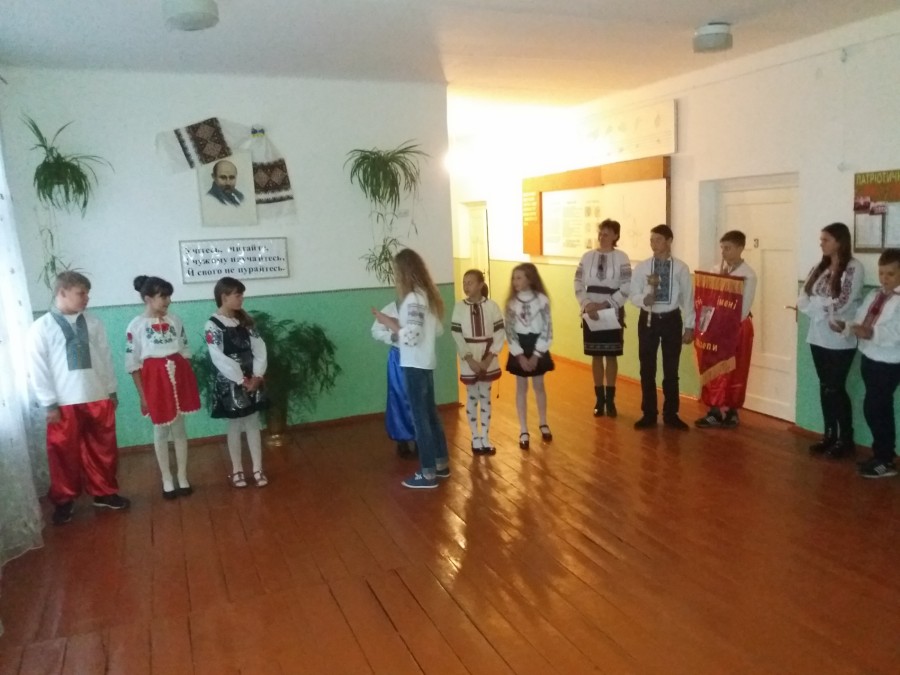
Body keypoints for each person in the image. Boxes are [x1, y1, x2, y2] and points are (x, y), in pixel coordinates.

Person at [26, 271, 130, 525]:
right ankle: (64, 500)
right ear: (62, 292)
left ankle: (104, 492)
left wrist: (111, 390)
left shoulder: (94, 323)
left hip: (97, 396)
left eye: (87, 293)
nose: (86, 298)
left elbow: (105, 357)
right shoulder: (42, 327)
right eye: (81, 293)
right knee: (63, 453)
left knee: (103, 449)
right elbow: (38, 369)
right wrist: (49, 403)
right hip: (63, 403)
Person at [372, 249, 449, 489]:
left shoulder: (414, 299)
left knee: (420, 419)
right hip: (425, 362)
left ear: (404, 272)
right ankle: (441, 463)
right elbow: (434, 330)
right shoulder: (426, 296)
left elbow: (412, 336)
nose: (395, 277)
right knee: (430, 415)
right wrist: (397, 323)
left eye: (396, 271)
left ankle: (427, 473)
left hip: (415, 364)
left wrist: (390, 324)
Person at [125, 275, 201, 499]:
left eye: (169, 296)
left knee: (179, 429)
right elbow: (133, 364)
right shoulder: (136, 326)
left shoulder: (175, 320)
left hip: (178, 376)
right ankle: (166, 478)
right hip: (154, 381)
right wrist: (143, 396)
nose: (168, 301)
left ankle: (182, 476)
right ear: (148, 299)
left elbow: (184, 352)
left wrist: (185, 381)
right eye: (163, 296)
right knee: (160, 430)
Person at [798, 222, 864, 458]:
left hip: (839, 337)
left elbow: (845, 300)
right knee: (825, 386)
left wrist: (821, 307)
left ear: (839, 241)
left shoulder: (854, 267)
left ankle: (845, 439)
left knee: (836, 387)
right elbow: (804, 295)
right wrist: (819, 308)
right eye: (821, 240)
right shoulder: (821, 266)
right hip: (818, 335)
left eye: (826, 240)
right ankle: (829, 434)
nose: (821, 244)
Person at [832, 249, 900, 478]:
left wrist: (870, 333)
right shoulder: (874, 294)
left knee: (876, 408)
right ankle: (881, 454)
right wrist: (846, 326)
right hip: (869, 357)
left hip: (889, 362)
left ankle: (886, 460)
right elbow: (861, 319)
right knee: (875, 408)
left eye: (890, 274)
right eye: (881, 273)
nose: (884, 278)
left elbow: (895, 333)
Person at [204, 277, 269, 487]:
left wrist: (257, 376)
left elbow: (259, 348)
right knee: (234, 424)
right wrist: (241, 379)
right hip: (231, 381)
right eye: (238, 295)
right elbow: (218, 357)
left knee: (253, 422)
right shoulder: (213, 325)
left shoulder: (246, 322)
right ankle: (237, 469)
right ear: (224, 297)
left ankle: (257, 468)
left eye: (242, 295)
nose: (242, 299)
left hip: (252, 378)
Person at [629, 225, 695, 430]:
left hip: (671, 320)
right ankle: (649, 413)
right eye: (651, 240)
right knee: (647, 368)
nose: (653, 244)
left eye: (658, 240)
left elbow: (688, 299)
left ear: (669, 241)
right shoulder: (642, 267)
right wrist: (643, 299)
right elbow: (633, 293)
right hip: (648, 320)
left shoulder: (681, 268)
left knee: (671, 368)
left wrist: (689, 326)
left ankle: (671, 414)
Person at [695, 231, 757, 429]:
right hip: (715, 328)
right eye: (722, 248)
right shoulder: (715, 270)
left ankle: (732, 411)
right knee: (713, 368)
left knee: (735, 370)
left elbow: (743, 309)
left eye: (728, 248)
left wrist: (725, 324)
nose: (723, 252)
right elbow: (707, 299)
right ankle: (713, 411)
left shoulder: (747, 275)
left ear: (740, 248)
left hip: (737, 329)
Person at [574, 218, 632, 417]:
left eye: (607, 233)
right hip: (590, 310)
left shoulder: (622, 257)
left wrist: (605, 305)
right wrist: (587, 304)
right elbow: (578, 282)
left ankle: (610, 400)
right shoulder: (587, 256)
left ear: (616, 236)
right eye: (600, 233)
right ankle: (599, 400)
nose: (602, 236)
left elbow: (626, 286)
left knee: (611, 355)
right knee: (596, 355)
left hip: (612, 310)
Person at [451, 269, 506, 455]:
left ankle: (485, 437)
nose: (466, 286)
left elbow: (499, 332)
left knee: (485, 397)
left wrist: (489, 358)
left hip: (488, 356)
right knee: (472, 396)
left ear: (481, 285)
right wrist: (469, 359)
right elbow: (457, 334)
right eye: (464, 283)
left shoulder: (492, 306)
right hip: (469, 358)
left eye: (470, 282)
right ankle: (475, 437)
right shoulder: (459, 307)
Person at [505, 263, 554, 449]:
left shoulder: (542, 300)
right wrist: (519, 355)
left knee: (539, 385)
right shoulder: (511, 303)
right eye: (513, 278)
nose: (515, 281)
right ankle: (523, 429)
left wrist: (536, 355)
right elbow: (509, 331)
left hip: (537, 346)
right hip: (519, 346)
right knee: (521, 387)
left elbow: (547, 328)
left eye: (519, 277)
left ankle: (543, 422)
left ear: (530, 279)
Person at [370, 299, 417, 458]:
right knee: (398, 397)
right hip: (398, 358)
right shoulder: (390, 308)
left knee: (417, 398)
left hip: (417, 356)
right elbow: (375, 331)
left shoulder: (419, 306)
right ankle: (401, 439)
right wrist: (392, 337)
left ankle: (419, 438)